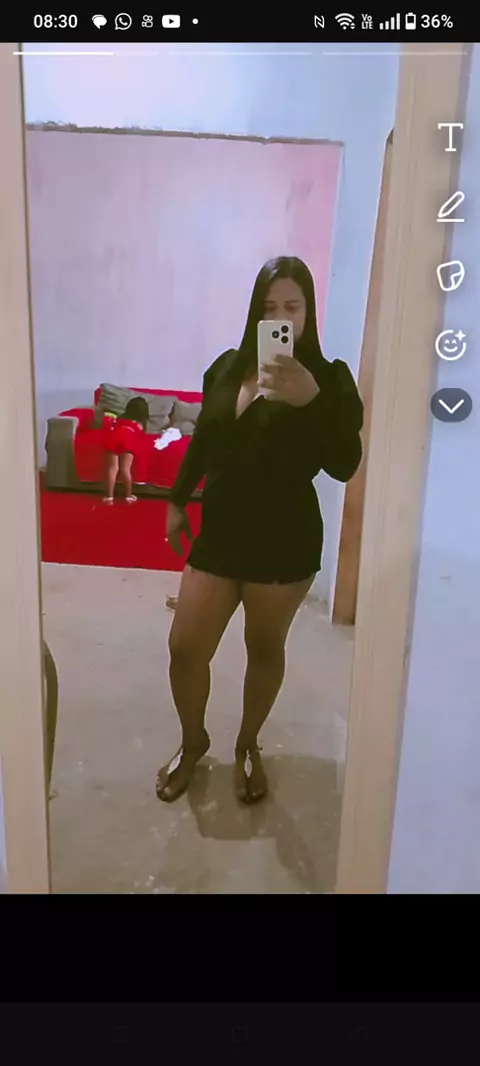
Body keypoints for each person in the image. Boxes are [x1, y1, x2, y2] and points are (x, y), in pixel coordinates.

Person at [156, 256, 364, 805]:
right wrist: (177, 499)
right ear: (256, 312)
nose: (282, 318)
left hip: (284, 539)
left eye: (293, 307)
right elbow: (205, 439)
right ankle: (194, 741)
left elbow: (344, 463)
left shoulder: (329, 380)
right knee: (184, 648)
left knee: (264, 648)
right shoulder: (227, 368)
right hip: (221, 531)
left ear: (308, 313)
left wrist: (312, 402)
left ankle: (248, 743)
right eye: (270, 307)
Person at [102, 396, 149, 504]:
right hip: (128, 440)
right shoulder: (139, 423)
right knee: (125, 469)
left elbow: (111, 426)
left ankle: (109, 497)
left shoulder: (120, 419)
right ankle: (128, 496)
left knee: (113, 468)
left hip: (114, 438)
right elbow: (140, 436)